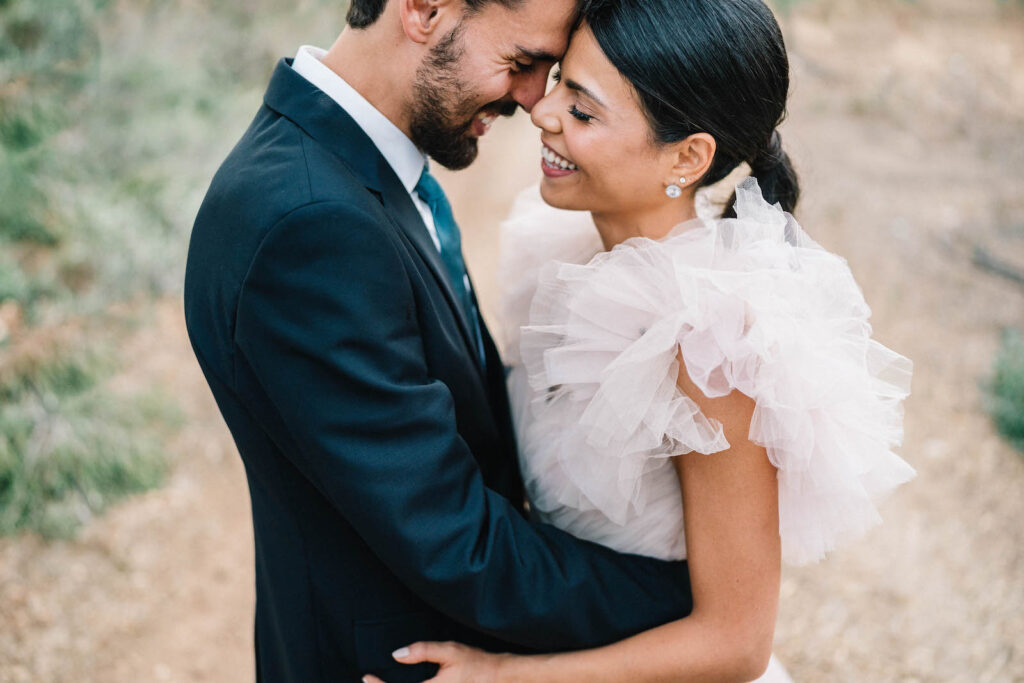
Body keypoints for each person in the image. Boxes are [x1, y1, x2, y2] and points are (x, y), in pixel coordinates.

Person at [371, 0, 915, 680]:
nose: (542, 113)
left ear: (687, 156)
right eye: (562, 82)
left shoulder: (712, 339)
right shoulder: (566, 256)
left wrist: (503, 675)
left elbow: (736, 641)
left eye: (583, 109)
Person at [183, 0, 699, 681]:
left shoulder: (363, 166)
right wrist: (692, 600)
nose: (532, 98)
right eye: (521, 63)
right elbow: (455, 541)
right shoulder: (309, 226)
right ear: (424, 8)